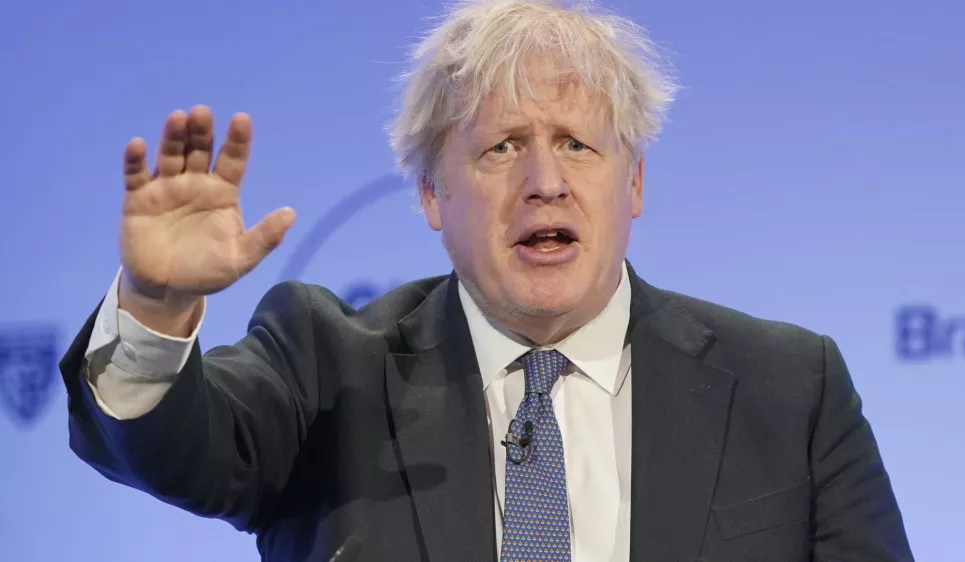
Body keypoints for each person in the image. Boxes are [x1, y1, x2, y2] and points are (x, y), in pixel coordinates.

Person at [59, 0, 914, 561]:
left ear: (637, 184)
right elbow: (181, 453)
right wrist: (159, 307)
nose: (546, 180)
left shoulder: (790, 390)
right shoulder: (328, 370)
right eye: (501, 147)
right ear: (432, 193)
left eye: (577, 143)